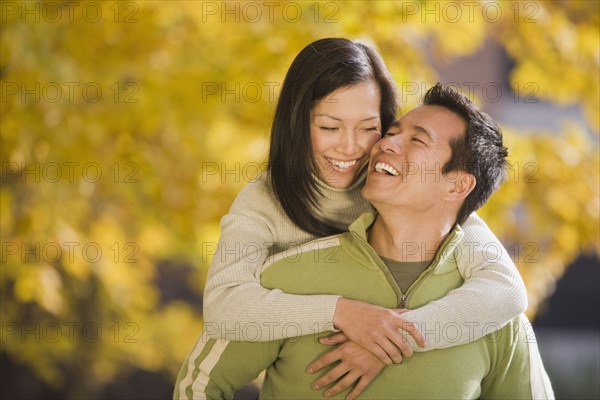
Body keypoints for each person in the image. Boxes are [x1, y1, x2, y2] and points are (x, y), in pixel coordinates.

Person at [174, 83, 554, 399]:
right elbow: (200, 385)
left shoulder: (494, 315)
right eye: (391, 133)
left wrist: (391, 342)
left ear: (458, 184)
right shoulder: (291, 278)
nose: (385, 144)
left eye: (417, 140)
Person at [199, 38, 526, 364]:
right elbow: (224, 305)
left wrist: (389, 340)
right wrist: (343, 313)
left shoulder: (396, 190)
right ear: (296, 123)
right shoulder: (264, 200)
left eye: (369, 128)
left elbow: (505, 289)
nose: (350, 148)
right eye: (330, 127)